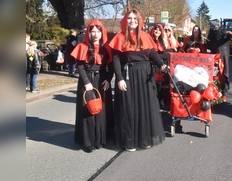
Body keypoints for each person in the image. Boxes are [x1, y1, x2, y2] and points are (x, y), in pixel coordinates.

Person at [108, 8, 167, 151]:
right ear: (125, 20)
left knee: (144, 107)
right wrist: (119, 79)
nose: (132, 21)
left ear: (139, 21)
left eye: (135, 18)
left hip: (145, 75)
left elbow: (153, 54)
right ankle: (129, 140)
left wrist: (162, 65)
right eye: (129, 18)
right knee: (129, 107)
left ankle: (144, 138)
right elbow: (115, 61)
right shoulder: (119, 37)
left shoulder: (146, 36)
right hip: (128, 74)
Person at [70, 20, 114, 152]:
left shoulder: (106, 47)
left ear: (102, 32)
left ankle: (101, 139)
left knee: (102, 110)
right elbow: (81, 68)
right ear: (89, 32)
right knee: (88, 110)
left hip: (102, 80)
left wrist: (108, 79)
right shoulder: (82, 46)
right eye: (93, 31)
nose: (95, 34)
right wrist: (86, 83)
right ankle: (87, 141)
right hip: (87, 81)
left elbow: (110, 66)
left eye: (98, 31)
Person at [207, 19, 232, 101]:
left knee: (224, 74)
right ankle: (216, 91)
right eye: (213, 29)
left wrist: (231, 34)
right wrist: (206, 42)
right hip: (214, 57)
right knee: (214, 75)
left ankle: (224, 92)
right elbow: (209, 46)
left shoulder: (224, 33)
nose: (215, 30)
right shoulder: (211, 35)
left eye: (216, 28)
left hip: (223, 57)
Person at [149, 24, 170, 110]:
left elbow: (164, 54)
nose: (157, 31)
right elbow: (152, 55)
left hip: (160, 67)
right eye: (156, 30)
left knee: (161, 85)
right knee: (153, 86)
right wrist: (163, 56)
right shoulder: (150, 41)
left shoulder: (161, 41)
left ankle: (159, 102)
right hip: (152, 67)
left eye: (159, 30)